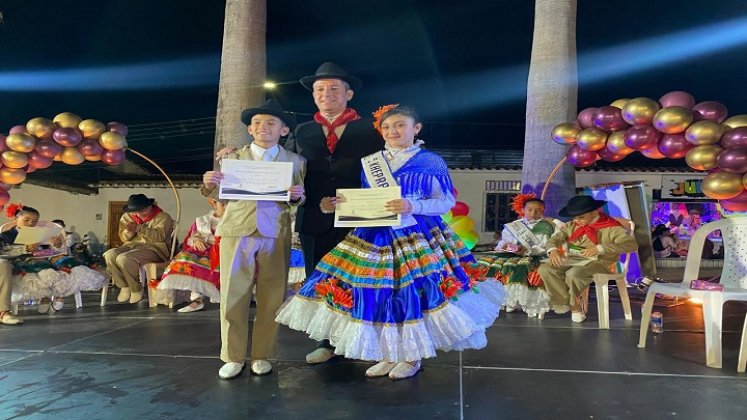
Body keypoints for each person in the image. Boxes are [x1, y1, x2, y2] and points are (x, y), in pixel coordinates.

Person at [276, 105, 506, 380]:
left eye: (399, 125)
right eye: (386, 127)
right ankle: (389, 354)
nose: (392, 131)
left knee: (412, 293)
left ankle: (411, 356)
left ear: (416, 128)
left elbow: (446, 201)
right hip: (375, 235)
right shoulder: (371, 161)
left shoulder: (430, 161)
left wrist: (413, 205)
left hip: (417, 234)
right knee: (380, 293)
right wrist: (341, 205)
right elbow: (365, 198)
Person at [284, 62, 383, 364]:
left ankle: (360, 338)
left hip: (359, 219)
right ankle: (325, 341)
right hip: (314, 219)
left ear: (348, 93)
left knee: (361, 279)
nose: (326, 94)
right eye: (320, 90)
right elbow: (282, 167)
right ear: (314, 95)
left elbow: (385, 169)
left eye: (333, 89)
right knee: (320, 278)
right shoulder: (301, 131)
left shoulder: (373, 129)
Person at [202, 99, 306, 379]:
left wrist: (298, 196)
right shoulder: (232, 158)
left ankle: (263, 354)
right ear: (250, 129)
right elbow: (217, 195)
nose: (264, 128)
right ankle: (232, 356)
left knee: (272, 297)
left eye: (271, 123)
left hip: (275, 231)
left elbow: (299, 197)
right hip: (237, 229)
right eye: (258, 123)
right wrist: (208, 183)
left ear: (283, 131)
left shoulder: (295, 161)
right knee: (232, 295)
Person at [537, 195, 638, 323]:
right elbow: (554, 240)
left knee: (573, 274)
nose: (577, 220)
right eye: (574, 217)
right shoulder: (571, 226)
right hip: (573, 258)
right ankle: (566, 303)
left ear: (594, 212)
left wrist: (599, 248)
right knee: (545, 268)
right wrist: (553, 251)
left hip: (600, 261)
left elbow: (631, 245)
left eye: (581, 217)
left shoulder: (611, 227)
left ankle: (574, 307)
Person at [1, 204, 104, 315]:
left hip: (45, 257)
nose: (31, 224)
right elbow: (3, 251)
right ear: (15, 218)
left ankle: (59, 296)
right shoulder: (6, 235)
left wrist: (56, 244)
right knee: (42, 269)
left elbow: (51, 249)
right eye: (26, 220)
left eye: (35, 221)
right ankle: (44, 297)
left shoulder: (39, 231)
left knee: (63, 262)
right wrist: (25, 248)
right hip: (22, 261)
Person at [476, 194, 563, 319]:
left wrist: (529, 251)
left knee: (522, 265)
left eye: (538, 210)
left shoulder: (550, 226)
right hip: (514, 254)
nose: (533, 213)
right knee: (488, 262)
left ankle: (523, 302)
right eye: (530, 209)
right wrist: (504, 246)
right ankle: (504, 299)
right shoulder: (514, 226)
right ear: (523, 210)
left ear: (543, 211)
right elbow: (504, 242)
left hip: (537, 255)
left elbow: (549, 245)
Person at [156, 198, 227, 312]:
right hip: (202, 251)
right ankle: (196, 300)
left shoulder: (233, 221)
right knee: (186, 261)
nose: (225, 207)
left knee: (210, 265)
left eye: (228, 204)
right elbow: (191, 236)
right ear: (214, 203)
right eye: (222, 204)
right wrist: (195, 240)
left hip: (223, 251)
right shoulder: (202, 220)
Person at [103, 194, 174, 305]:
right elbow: (123, 238)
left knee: (124, 258)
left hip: (154, 249)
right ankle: (124, 286)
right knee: (109, 254)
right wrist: (129, 232)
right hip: (130, 246)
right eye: (135, 211)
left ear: (150, 206)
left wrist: (139, 228)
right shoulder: (127, 217)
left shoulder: (163, 217)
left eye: (142, 210)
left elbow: (160, 237)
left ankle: (136, 288)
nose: (139, 214)